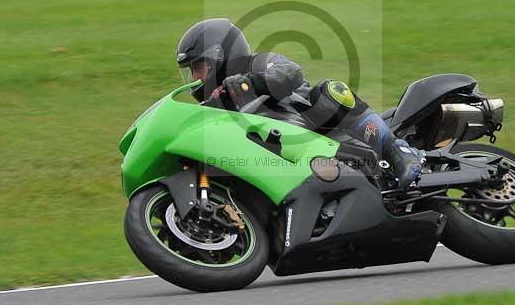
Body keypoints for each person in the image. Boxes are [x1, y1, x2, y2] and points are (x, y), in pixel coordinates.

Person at [176, 18, 423, 190]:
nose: (195, 78)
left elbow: (290, 72)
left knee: (330, 92)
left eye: (198, 68)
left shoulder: (256, 64)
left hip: (313, 125)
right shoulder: (216, 106)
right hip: (289, 161)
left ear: (220, 56)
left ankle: (396, 148)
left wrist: (249, 84)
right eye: (191, 71)